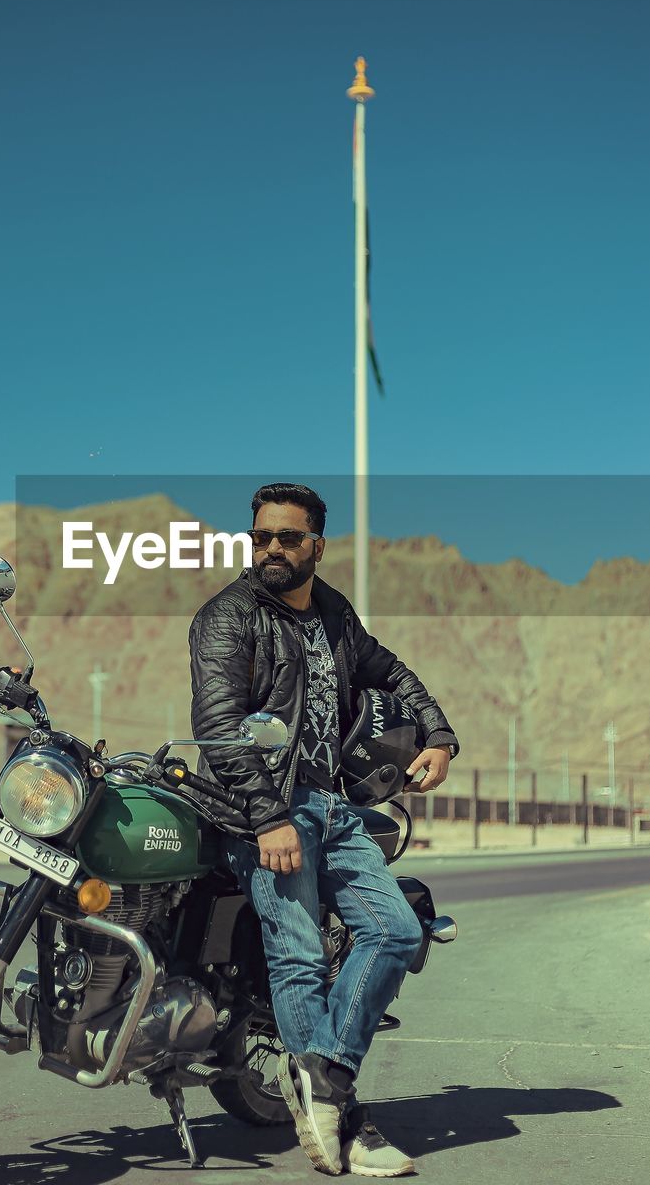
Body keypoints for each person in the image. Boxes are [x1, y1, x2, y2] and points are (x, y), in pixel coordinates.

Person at [188, 482, 458, 1177]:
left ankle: (325, 1080)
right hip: (263, 812)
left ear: (317, 545)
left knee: (397, 931)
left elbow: (391, 671)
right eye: (260, 537)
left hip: (330, 806)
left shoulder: (334, 613)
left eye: (286, 537)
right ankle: (348, 1123)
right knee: (300, 956)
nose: (271, 549)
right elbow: (218, 729)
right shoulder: (228, 618)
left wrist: (439, 735)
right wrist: (269, 817)